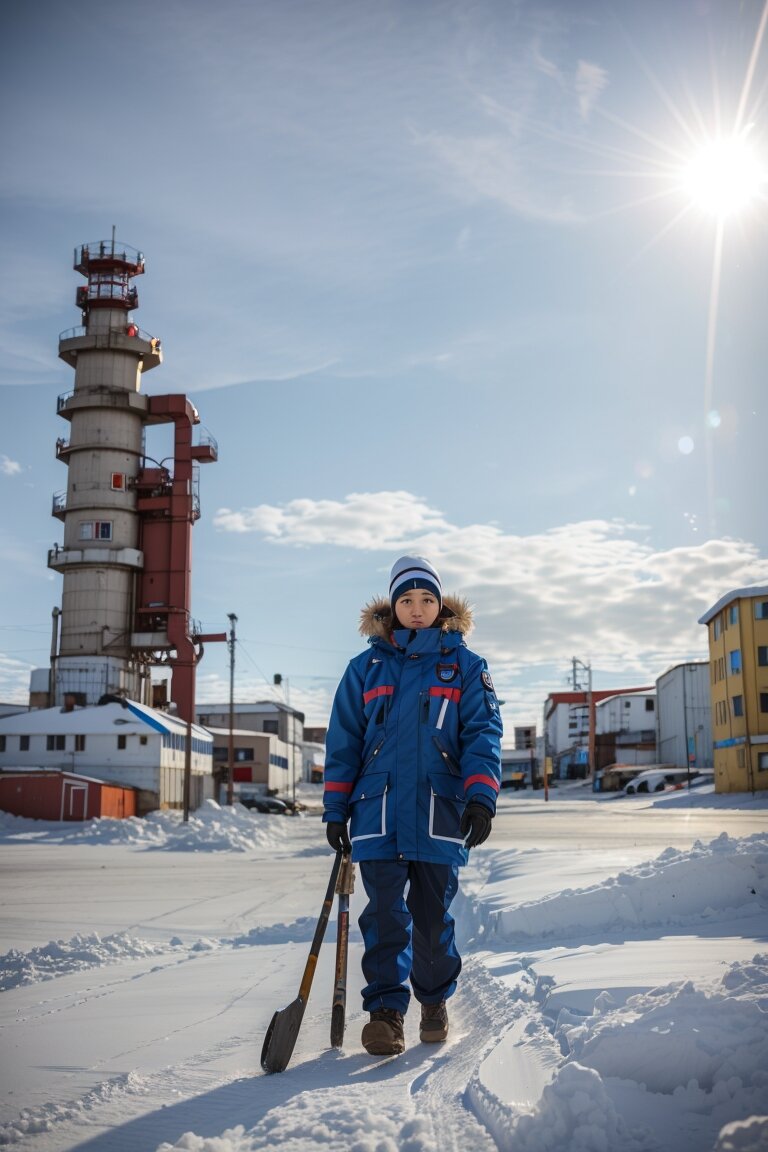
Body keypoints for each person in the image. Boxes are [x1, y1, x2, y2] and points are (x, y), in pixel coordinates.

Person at [323, 555, 503, 1056]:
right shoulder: (364, 669)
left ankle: (432, 1001)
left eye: (427, 599)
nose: (417, 609)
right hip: (377, 812)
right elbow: (344, 744)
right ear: (393, 606)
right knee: (382, 917)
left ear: (441, 604)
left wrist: (481, 797)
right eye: (407, 600)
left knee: (430, 919)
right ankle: (384, 1014)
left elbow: (483, 735)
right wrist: (336, 809)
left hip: (438, 812)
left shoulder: (466, 667)